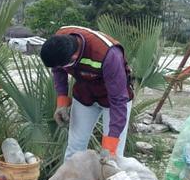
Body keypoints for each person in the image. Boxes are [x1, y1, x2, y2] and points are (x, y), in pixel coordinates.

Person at [40, 26, 133, 160]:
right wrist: (62, 103)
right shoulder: (59, 41)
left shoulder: (109, 55)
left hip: (114, 101)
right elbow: (58, 72)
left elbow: (118, 101)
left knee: (113, 156)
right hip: (84, 95)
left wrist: (110, 145)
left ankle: (111, 176)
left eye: (62, 66)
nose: (59, 69)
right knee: (74, 149)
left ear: (74, 57)